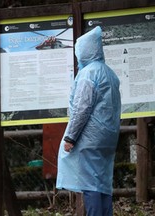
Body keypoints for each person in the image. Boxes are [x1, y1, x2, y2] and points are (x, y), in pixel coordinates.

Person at [56, 26, 121, 216]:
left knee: (90, 184)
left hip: (90, 138)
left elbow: (81, 108)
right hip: (108, 137)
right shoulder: (110, 73)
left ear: (83, 51)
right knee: (102, 184)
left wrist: (70, 137)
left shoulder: (88, 74)